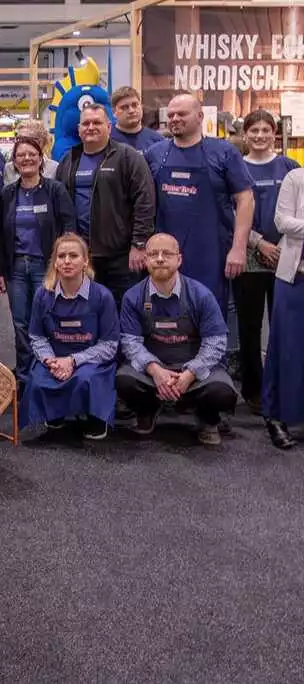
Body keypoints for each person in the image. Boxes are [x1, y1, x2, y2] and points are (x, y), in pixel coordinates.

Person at [118, 234, 238, 445]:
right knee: (123, 380)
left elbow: (216, 343)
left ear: (179, 259)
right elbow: (130, 343)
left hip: (195, 374)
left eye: (167, 254)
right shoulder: (133, 297)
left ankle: (207, 419)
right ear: (145, 260)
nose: (160, 258)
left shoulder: (201, 295)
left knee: (222, 391)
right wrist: (155, 371)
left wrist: (189, 374)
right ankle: (148, 411)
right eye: (153, 254)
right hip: (153, 373)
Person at [144, 93, 255, 312]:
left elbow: (245, 199)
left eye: (182, 114)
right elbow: (142, 203)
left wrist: (239, 248)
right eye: (171, 114)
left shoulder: (224, 153)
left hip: (211, 253)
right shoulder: (155, 154)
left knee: (208, 314)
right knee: (166, 316)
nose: (175, 118)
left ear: (200, 116)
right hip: (164, 255)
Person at [0, 137, 78, 386]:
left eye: (32, 154)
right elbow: (0, 235)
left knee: (47, 319)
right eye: (21, 155)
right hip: (16, 268)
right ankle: (24, 376)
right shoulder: (8, 194)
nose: (27, 159)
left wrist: (65, 263)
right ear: (15, 161)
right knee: (20, 323)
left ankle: (48, 372)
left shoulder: (55, 190)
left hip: (48, 266)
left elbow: (69, 228)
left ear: (41, 158)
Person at [57, 104, 156, 307]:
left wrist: (139, 245)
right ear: (78, 129)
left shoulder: (128, 157)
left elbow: (145, 202)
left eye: (97, 122)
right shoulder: (69, 159)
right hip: (82, 256)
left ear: (109, 127)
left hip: (120, 256)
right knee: (87, 310)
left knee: (125, 310)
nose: (91, 127)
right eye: (86, 123)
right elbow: (60, 205)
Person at [23, 234, 119, 439]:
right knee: (40, 378)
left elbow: (110, 345)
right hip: (56, 358)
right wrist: (51, 361)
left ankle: (96, 418)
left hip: (89, 360)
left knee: (86, 378)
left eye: (73, 256)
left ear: (85, 261)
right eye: (62, 256)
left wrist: (73, 361)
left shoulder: (102, 296)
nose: (67, 261)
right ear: (55, 262)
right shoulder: (43, 295)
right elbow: (37, 336)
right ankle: (55, 414)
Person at [235, 110, 298, 412]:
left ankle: (282, 386)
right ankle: (252, 390)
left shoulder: (289, 167)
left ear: (274, 133)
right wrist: (259, 242)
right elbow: (230, 212)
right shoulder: (235, 167)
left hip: (286, 256)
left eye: (265, 130)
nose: (260, 136)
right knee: (249, 326)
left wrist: (282, 245)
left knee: (283, 325)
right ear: (244, 134)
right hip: (248, 256)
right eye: (254, 130)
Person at [262, 167, 304, 449]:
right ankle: (275, 416)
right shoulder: (296, 178)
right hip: (295, 278)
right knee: (285, 348)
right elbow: (282, 221)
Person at [110, 87, 165, 153]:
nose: (131, 111)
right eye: (124, 107)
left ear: (141, 106)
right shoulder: (105, 138)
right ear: (114, 112)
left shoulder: (157, 140)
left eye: (135, 105)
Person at [3, 119, 59, 185]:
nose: (20, 143)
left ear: (40, 142)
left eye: (26, 140)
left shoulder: (54, 168)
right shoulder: (9, 168)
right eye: (18, 139)